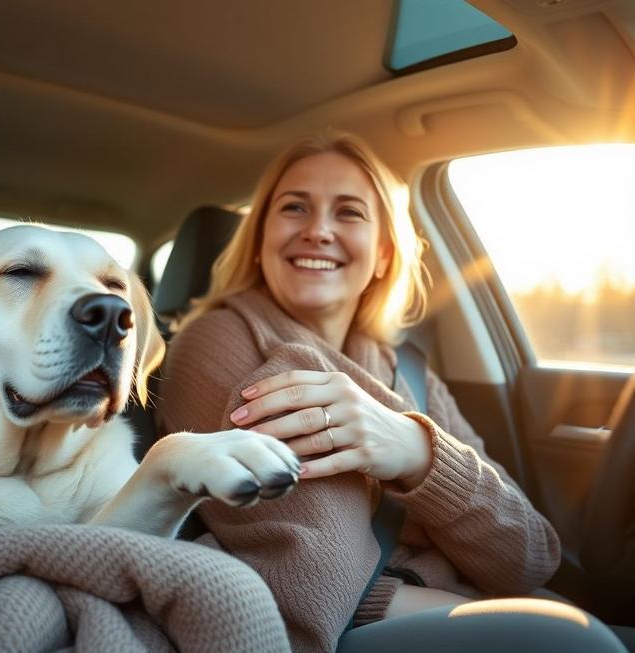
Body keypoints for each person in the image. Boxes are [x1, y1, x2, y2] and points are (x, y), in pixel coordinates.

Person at [155, 130, 627, 652]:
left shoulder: (404, 368)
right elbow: (311, 576)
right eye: (294, 208)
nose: (318, 230)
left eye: (349, 212)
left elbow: (530, 554)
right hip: (355, 631)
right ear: (261, 240)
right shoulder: (219, 340)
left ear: (382, 254)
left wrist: (417, 451)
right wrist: (473, 604)